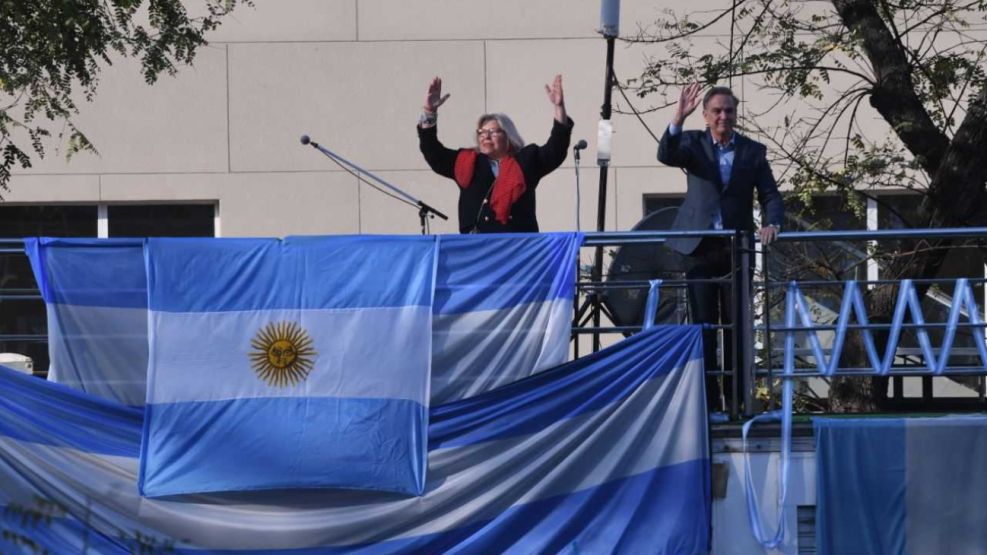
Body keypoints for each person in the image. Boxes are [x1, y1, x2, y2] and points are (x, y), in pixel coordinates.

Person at [657, 82, 784, 412]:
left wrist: (772, 223)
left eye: (729, 110)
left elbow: (770, 194)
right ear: (706, 115)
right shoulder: (693, 143)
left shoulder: (752, 151)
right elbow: (666, 155)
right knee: (704, 327)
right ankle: (708, 403)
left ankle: (738, 401)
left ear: (736, 115)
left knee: (737, 327)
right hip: (699, 249)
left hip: (736, 248)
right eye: (716, 111)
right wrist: (678, 118)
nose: (723, 116)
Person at [417, 75, 574, 234]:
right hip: (477, 248)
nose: (485, 136)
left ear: (508, 136)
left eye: (493, 132)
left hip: (519, 248)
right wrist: (429, 112)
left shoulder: (526, 161)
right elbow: (433, 153)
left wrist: (559, 107)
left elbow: (556, 149)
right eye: (482, 132)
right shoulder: (466, 162)